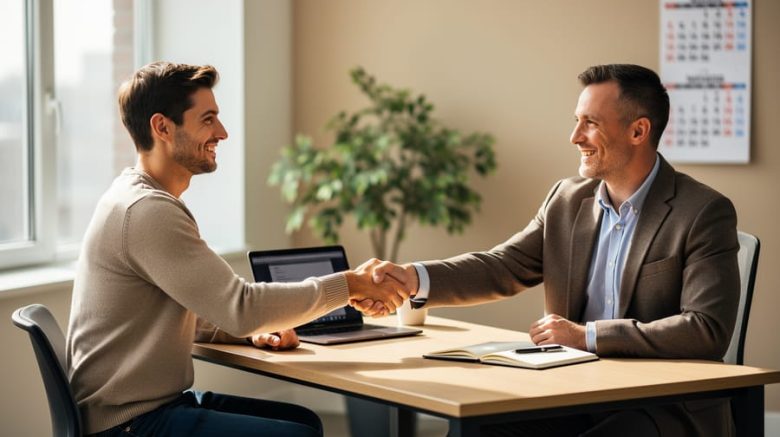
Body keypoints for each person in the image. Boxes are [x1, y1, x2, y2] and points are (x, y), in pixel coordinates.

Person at [361, 64, 740, 436]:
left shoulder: (702, 212)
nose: (575, 136)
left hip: (661, 405)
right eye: (577, 120)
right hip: (571, 388)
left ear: (639, 130)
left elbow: (706, 329)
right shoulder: (566, 200)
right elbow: (503, 266)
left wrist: (585, 336)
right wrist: (413, 278)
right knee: (480, 430)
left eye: (590, 123)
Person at [65, 61, 406, 437]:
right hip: (130, 424)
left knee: (303, 422)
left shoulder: (139, 198)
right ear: (162, 127)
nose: (222, 133)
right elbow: (242, 307)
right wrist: (351, 285)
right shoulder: (146, 211)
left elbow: (195, 314)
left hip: (149, 408)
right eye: (207, 119)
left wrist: (249, 335)